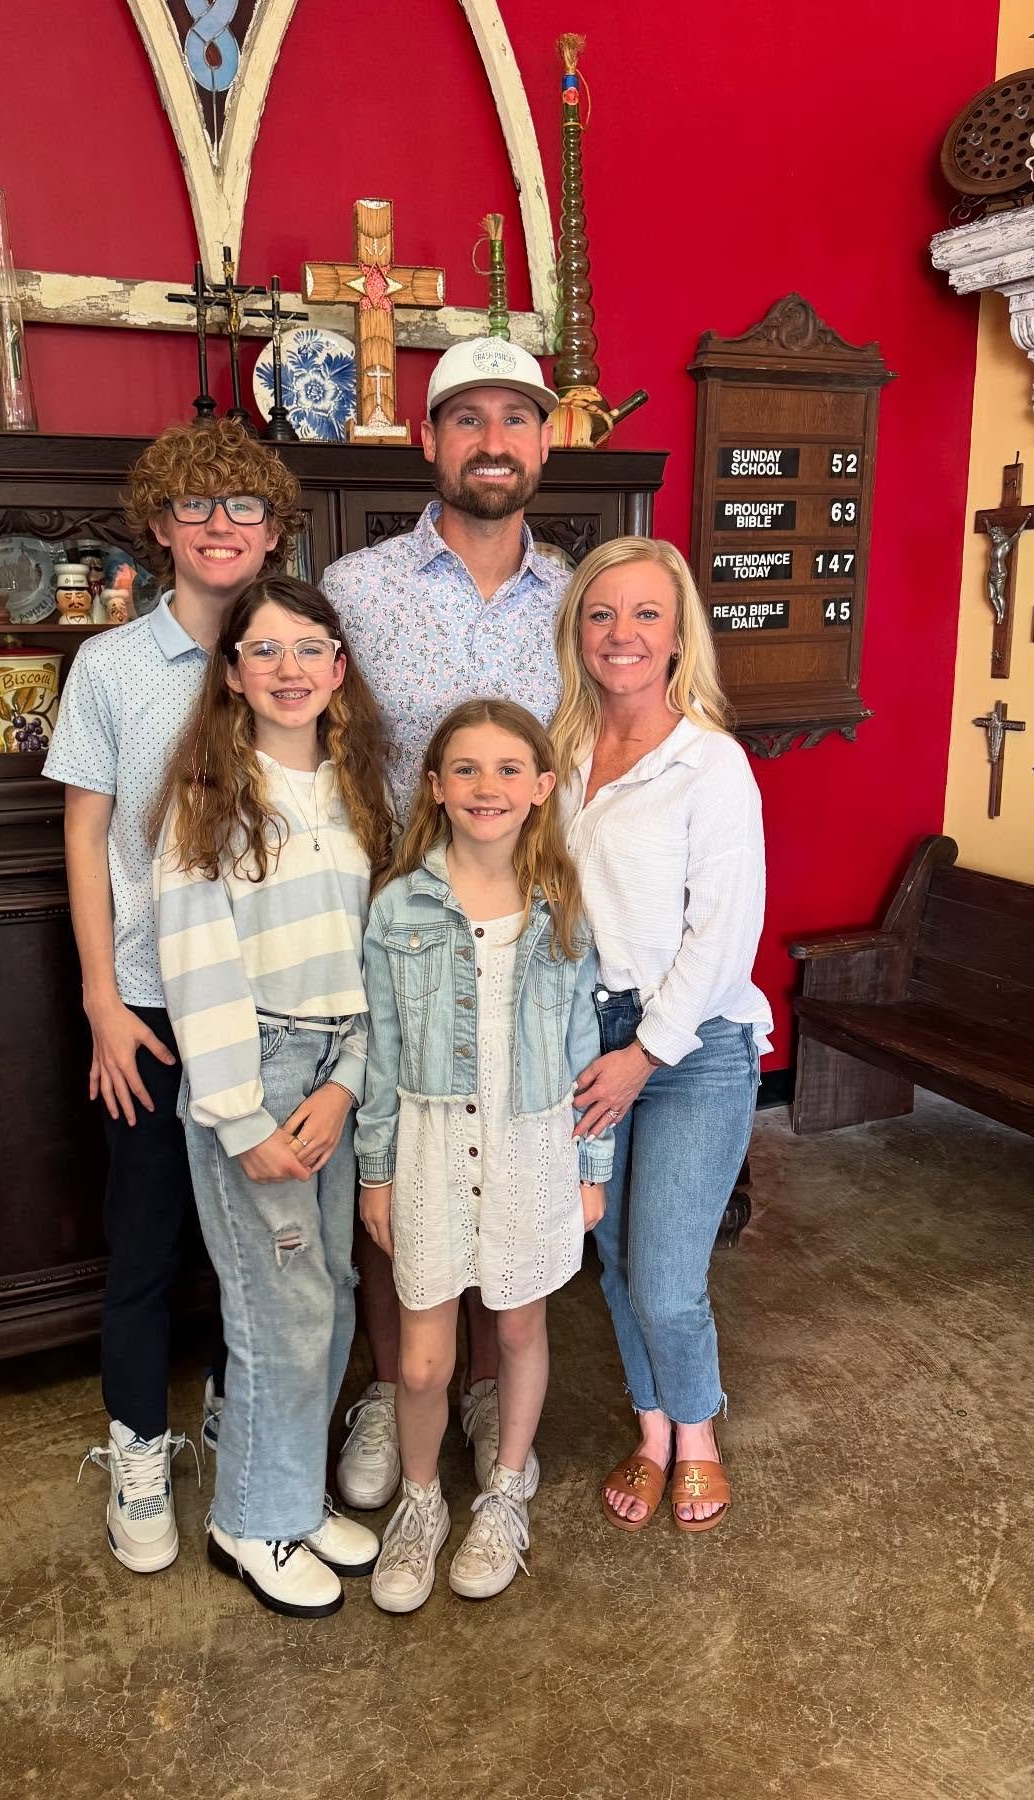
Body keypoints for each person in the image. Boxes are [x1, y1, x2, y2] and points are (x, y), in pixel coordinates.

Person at [46, 420, 300, 1573]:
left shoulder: (290, 659)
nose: (219, 526)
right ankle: (139, 1449)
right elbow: (85, 833)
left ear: (273, 530)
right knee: (146, 1237)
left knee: (263, 1242)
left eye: (242, 507)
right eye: (194, 507)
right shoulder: (110, 668)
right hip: (149, 1003)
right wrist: (102, 999)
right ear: (160, 527)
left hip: (268, 1001)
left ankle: (245, 1422)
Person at [320, 337, 564, 1512]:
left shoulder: (575, 602)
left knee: (500, 1154)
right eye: (468, 418)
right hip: (395, 922)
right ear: (429, 440)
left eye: (516, 418)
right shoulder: (357, 590)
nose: (493, 441)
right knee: (406, 1164)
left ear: (546, 443)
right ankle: (393, 1381)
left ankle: (475, 1387)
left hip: (524, 926)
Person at [152, 575, 394, 1617]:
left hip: (334, 1071)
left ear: (339, 669)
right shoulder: (211, 794)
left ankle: (291, 1492)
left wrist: (347, 1081)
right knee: (276, 1312)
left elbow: (375, 953)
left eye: (308, 649)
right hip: (251, 1071)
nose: (288, 669)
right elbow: (194, 960)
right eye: (264, 650)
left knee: (327, 1294)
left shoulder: (358, 790)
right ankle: (252, 1521)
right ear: (233, 674)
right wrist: (241, 1116)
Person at [356, 699, 611, 1611]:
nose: (486, 787)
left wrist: (591, 1168)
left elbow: (583, 1048)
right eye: (465, 768)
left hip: (531, 1146)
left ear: (542, 788)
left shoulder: (560, 907)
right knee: (424, 1361)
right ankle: (421, 1501)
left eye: (509, 769)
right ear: (434, 786)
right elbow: (381, 1050)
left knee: (517, 1329)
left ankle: (504, 1493)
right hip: (429, 1148)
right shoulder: (399, 907)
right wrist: (376, 1172)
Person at [550, 538, 771, 1533]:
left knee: (669, 1280)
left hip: (691, 1042)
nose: (622, 634)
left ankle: (698, 1435)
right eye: (602, 614)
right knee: (613, 1257)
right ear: (577, 632)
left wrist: (644, 1054)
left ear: (679, 635)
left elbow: (723, 936)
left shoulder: (710, 765)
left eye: (646, 613)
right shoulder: (557, 756)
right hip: (583, 1033)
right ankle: (650, 1434)